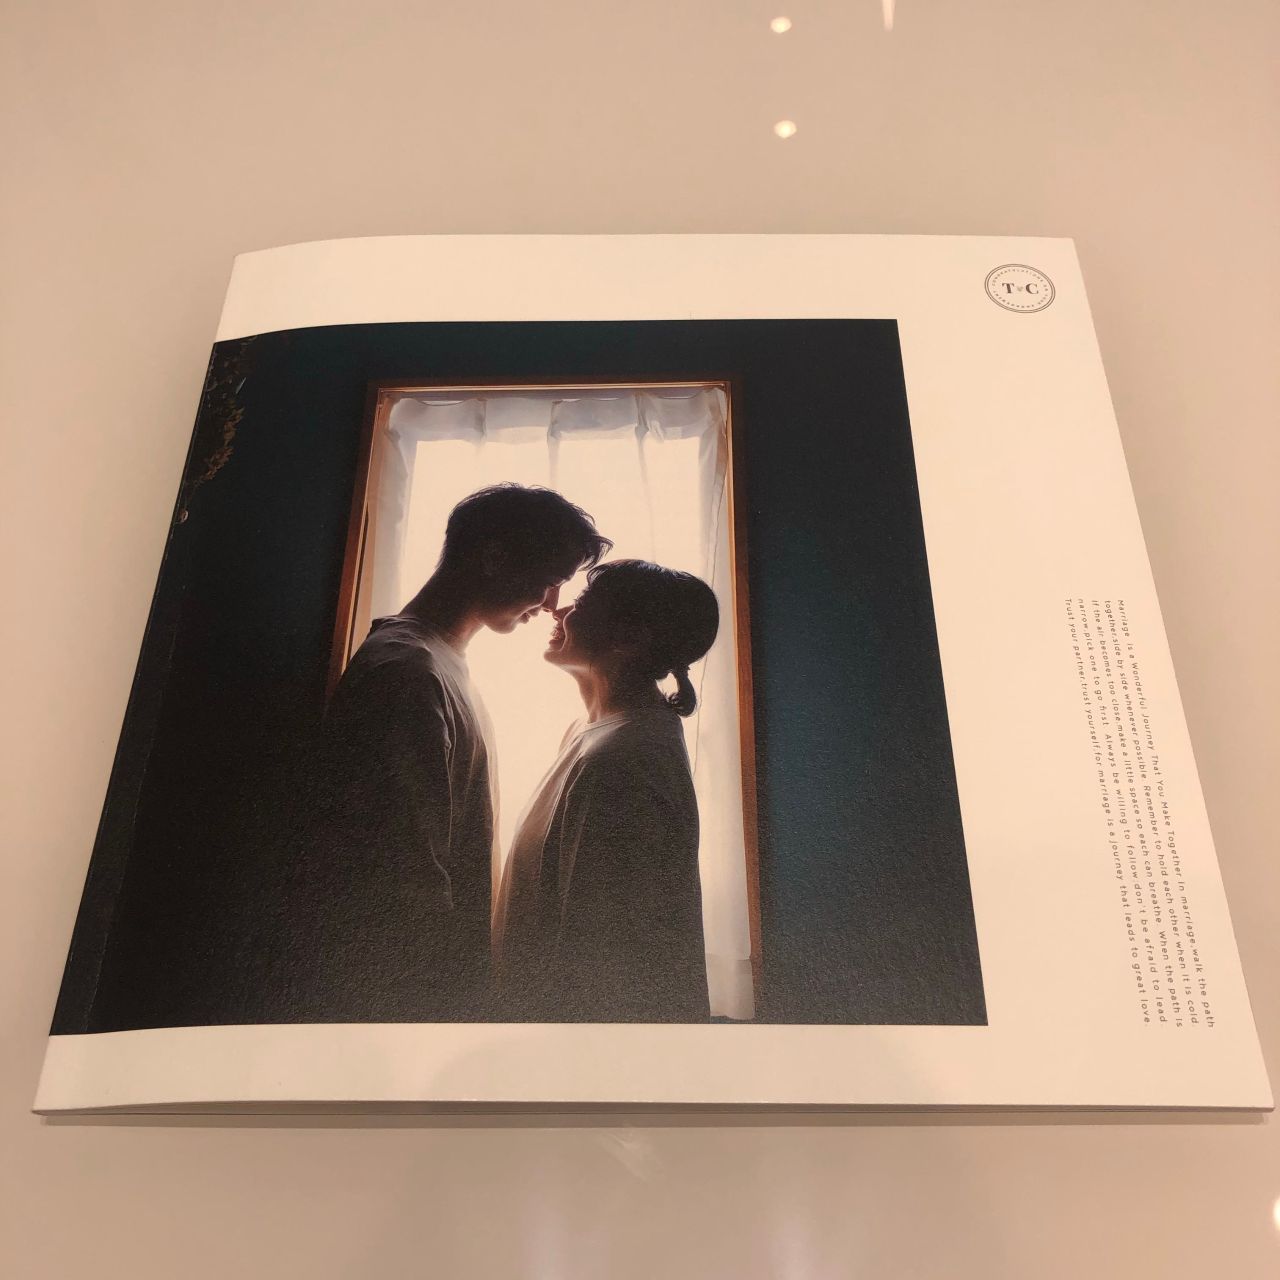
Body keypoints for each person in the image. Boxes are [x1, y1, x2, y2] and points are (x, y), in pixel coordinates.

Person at [284, 483, 610, 1021]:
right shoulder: (407, 674)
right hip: (407, 1003)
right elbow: (402, 873)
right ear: (494, 557)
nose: (552, 603)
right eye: (550, 579)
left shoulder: (435, 664)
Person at [492, 559, 719, 1022]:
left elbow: (601, 955)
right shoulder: (595, 733)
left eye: (582, 603)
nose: (559, 610)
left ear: (629, 639)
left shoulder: (621, 760)